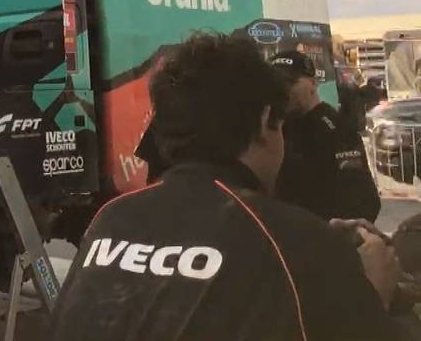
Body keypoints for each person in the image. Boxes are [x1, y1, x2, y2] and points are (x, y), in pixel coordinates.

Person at [52, 33, 403, 341]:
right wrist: (373, 292)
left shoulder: (110, 217)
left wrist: (312, 240)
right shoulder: (295, 243)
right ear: (267, 121)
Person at [272, 50, 381, 223]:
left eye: (290, 82)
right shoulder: (274, 128)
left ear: (313, 84)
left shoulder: (334, 127)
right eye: (276, 84)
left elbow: (362, 201)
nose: (283, 90)